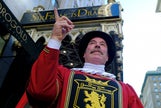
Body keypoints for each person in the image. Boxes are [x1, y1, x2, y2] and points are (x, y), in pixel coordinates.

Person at [16, 8, 144, 108]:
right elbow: (40, 91)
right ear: (84, 53)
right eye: (92, 43)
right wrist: (55, 38)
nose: (97, 45)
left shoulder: (126, 91)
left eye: (102, 44)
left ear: (108, 56)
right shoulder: (62, 76)